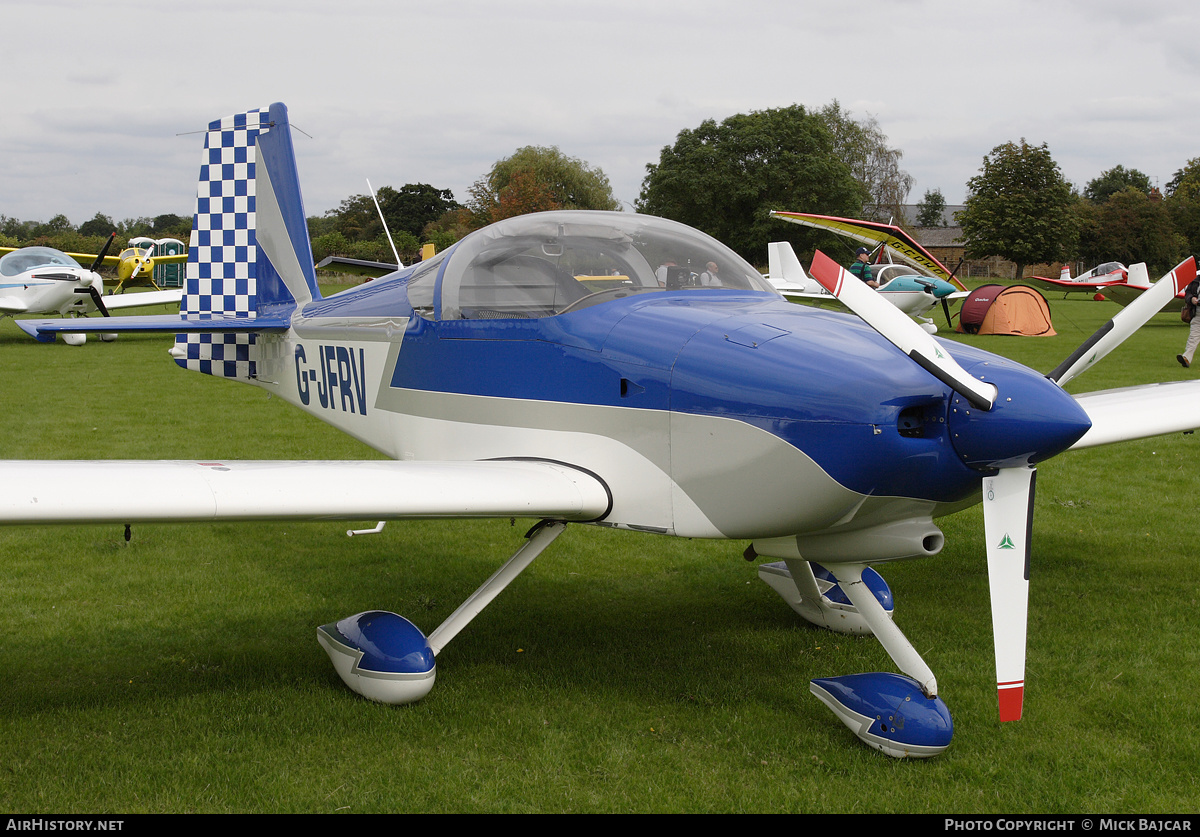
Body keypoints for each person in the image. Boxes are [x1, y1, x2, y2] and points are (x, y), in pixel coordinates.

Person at [1178, 275, 1200, 367]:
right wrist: (1192, 299)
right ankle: (1186, 358)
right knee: (1193, 337)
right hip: (1198, 313)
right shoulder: (1195, 280)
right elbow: (1188, 293)